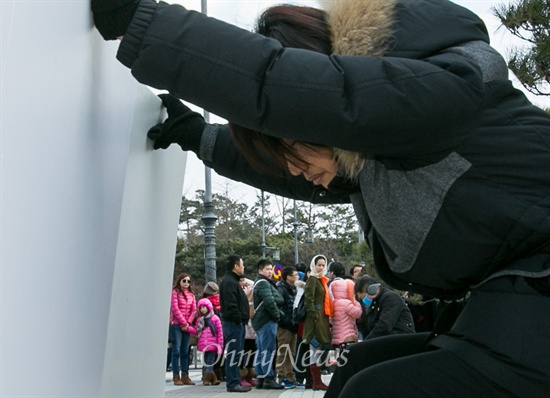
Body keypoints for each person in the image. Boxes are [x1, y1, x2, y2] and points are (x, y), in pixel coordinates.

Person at [92, 0, 550, 396]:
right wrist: (199, 137)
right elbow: (294, 174)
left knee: (381, 392)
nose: (293, 166)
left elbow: (288, 86)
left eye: (291, 145)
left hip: (535, 292)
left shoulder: (443, 92)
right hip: (512, 300)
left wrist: (144, 25)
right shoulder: (376, 164)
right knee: (355, 369)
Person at [219, 255, 252, 393]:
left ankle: (236, 381)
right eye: (242, 265)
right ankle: (232, 383)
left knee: (237, 353)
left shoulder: (232, 281)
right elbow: (231, 304)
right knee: (233, 353)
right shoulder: (229, 282)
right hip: (233, 323)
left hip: (237, 323)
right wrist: (239, 318)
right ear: (235, 266)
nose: (243, 267)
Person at [251, 259, 285, 390]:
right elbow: (271, 301)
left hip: (258, 321)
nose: (270, 272)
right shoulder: (264, 283)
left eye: (271, 269)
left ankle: (260, 378)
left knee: (261, 350)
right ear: (260, 271)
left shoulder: (258, 282)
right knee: (268, 350)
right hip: (266, 320)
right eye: (267, 269)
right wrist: (277, 316)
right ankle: (268, 378)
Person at [303, 255, 333, 391]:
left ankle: (317, 381)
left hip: (321, 318)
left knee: (317, 350)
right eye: (318, 265)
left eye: (323, 265)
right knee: (314, 349)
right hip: (315, 320)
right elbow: (308, 301)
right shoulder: (313, 280)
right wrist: (315, 316)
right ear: (313, 265)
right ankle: (316, 382)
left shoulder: (321, 280)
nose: (321, 267)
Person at [187, 298, 224, 386]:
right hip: (204, 345)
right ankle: (214, 379)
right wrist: (188, 328)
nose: (202, 309)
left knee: (210, 362)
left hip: (213, 344)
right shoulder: (200, 320)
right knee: (207, 362)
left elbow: (220, 333)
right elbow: (196, 331)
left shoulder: (215, 318)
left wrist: (220, 346)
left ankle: (206, 379)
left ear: (209, 307)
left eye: (204, 307)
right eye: (201, 308)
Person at [169, 273, 197, 386]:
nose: (186, 283)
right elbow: (175, 308)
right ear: (179, 281)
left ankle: (185, 375)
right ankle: (176, 376)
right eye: (184, 281)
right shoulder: (174, 292)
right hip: (176, 325)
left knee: (185, 351)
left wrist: (188, 323)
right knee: (176, 350)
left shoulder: (191, 295)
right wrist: (184, 323)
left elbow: (194, 310)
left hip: (186, 326)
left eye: (188, 281)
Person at [275, 266, 300, 388]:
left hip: (292, 325)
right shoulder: (281, 288)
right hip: (284, 326)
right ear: (288, 277)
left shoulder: (293, 288)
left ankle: (290, 377)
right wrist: (285, 320)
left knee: (291, 352)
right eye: (295, 275)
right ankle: (281, 377)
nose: (298, 277)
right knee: (283, 352)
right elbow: (278, 306)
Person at [330, 278, 362, 350]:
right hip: (347, 337)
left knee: (340, 359)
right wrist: (356, 302)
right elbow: (357, 313)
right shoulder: (346, 303)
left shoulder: (332, 303)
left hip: (335, 338)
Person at [239, 277, 257, 388]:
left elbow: (253, 284)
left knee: (252, 351)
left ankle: (250, 375)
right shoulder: (237, 291)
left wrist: (246, 281)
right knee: (243, 352)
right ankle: (242, 376)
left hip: (252, 324)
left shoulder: (251, 288)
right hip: (243, 324)